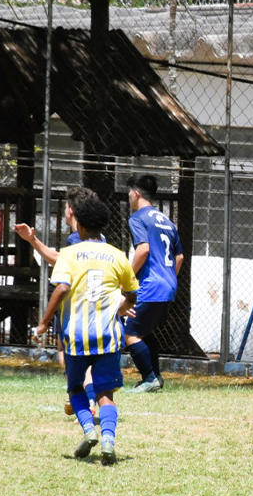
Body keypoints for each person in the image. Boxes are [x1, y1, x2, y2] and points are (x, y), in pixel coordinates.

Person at [36, 196, 138, 465]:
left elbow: (62, 288)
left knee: (75, 388)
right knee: (106, 394)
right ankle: (108, 439)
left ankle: (89, 430)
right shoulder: (117, 255)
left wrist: (45, 321)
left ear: (78, 224)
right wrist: (121, 308)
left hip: (76, 337)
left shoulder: (69, 254)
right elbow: (131, 294)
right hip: (108, 336)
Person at [14, 186, 105, 415]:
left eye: (65, 207)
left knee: (67, 352)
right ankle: (79, 395)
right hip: (96, 303)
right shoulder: (98, 237)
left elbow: (58, 260)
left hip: (76, 304)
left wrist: (33, 240)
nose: (64, 212)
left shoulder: (77, 238)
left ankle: (85, 398)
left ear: (71, 211)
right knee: (78, 353)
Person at [124, 174, 183, 393]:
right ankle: (156, 377)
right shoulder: (167, 221)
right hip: (168, 285)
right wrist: (169, 278)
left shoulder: (138, 218)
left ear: (136, 194)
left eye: (129, 193)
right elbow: (179, 256)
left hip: (151, 285)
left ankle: (149, 378)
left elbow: (143, 249)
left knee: (130, 333)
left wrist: (127, 278)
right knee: (145, 331)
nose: (129, 197)